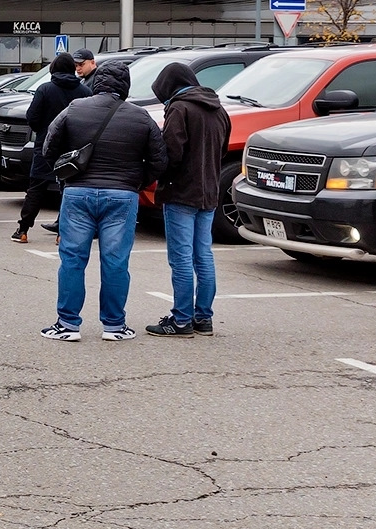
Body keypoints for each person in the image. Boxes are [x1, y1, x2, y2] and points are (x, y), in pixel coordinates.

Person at [37, 58, 166, 343]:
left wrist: (66, 176)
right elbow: (159, 160)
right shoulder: (141, 117)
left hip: (78, 191)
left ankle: (67, 325)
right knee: (116, 261)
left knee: (72, 259)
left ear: (97, 83)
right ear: (126, 87)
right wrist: (135, 182)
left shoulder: (74, 109)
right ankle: (114, 326)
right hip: (122, 195)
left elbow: (49, 146)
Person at [147, 60, 232, 338]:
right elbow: (221, 151)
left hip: (181, 191)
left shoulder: (179, 109)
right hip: (209, 191)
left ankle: (181, 319)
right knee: (203, 256)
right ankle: (203, 318)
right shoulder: (219, 109)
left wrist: (152, 171)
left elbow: (172, 154)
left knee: (181, 258)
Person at [12, 52, 89, 244]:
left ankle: (23, 230)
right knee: (68, 189)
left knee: (36, 188)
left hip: (46, 147)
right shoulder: (85, 92)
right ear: (72, 69)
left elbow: (32, 118)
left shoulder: (45, 89)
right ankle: (62, 233)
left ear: (53, 69)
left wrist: (43, 132)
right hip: (72, 148)